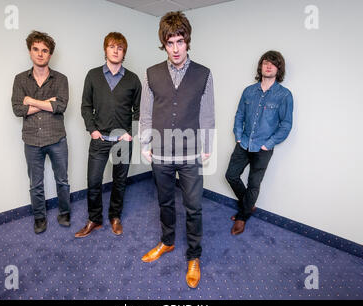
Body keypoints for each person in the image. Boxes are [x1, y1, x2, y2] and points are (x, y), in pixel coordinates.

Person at [139, 11, 215, 289]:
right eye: (170, 43)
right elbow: (146, 113)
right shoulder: (151, 74)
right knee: (165, 202)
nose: (175, 49)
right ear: (164, 43)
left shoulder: (204, 74)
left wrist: (207, 146)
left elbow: (207, 115)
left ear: (187, 42)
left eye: (179, 42)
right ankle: (168, 242)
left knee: (194, 207)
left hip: (191, 153)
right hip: (160, 153)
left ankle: (194, 256)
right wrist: (145, 144)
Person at [75, 32, 142, 238]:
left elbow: (139, 110)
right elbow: (86, 106)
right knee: (94, 181)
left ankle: (115, 217)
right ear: (105, 49)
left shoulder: (132, 79)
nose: (115, 50)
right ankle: (94, 219)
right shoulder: (93, 75)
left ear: (124, 52)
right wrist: (93, 131)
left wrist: (130, 134)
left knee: (119, 181)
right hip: (100, 139)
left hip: (122, 141)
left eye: (120, 48)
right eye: (112, 46)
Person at [226, 50, 293, 236]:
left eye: (273, 63)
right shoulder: (248, 91)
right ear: (261, 66)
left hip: (263, 148)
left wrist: (269, 143)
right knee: (231, 175)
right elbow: (239, 115)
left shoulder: (284, 95)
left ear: (278, 69)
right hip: (244, 142)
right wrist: (239, 136)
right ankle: (248, 206)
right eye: (265, 62)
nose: (268, 66)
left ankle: (242, 216)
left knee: (254, 183)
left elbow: (286, 124)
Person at [11, 31, 70, 234]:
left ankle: (64, 213)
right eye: (36, 49)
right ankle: (39, 218)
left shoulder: (61, 79)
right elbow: (18, 109)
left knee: (62, 180)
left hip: (56, 138)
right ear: (30, 52)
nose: (40, 54)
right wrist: (48, 103)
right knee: (35, 184)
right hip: (31, 140)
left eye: (45, 50)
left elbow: (60, 106)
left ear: (50, 55)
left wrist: (31, 101)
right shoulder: (20, 80)